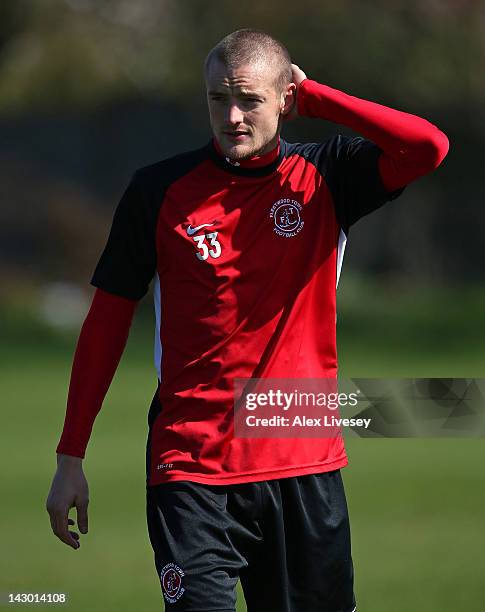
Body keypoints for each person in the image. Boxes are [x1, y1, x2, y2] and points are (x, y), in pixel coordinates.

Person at [46, 28, 449, 612]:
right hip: (191, 467)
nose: (232, 116)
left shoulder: (327, 177)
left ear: (286, 98)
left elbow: (428, 147)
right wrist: (70, 455)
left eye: (250, 100)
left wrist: (319, 98)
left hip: (302, 461)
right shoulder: (158, 191)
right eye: (217, 99)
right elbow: (106, 323)